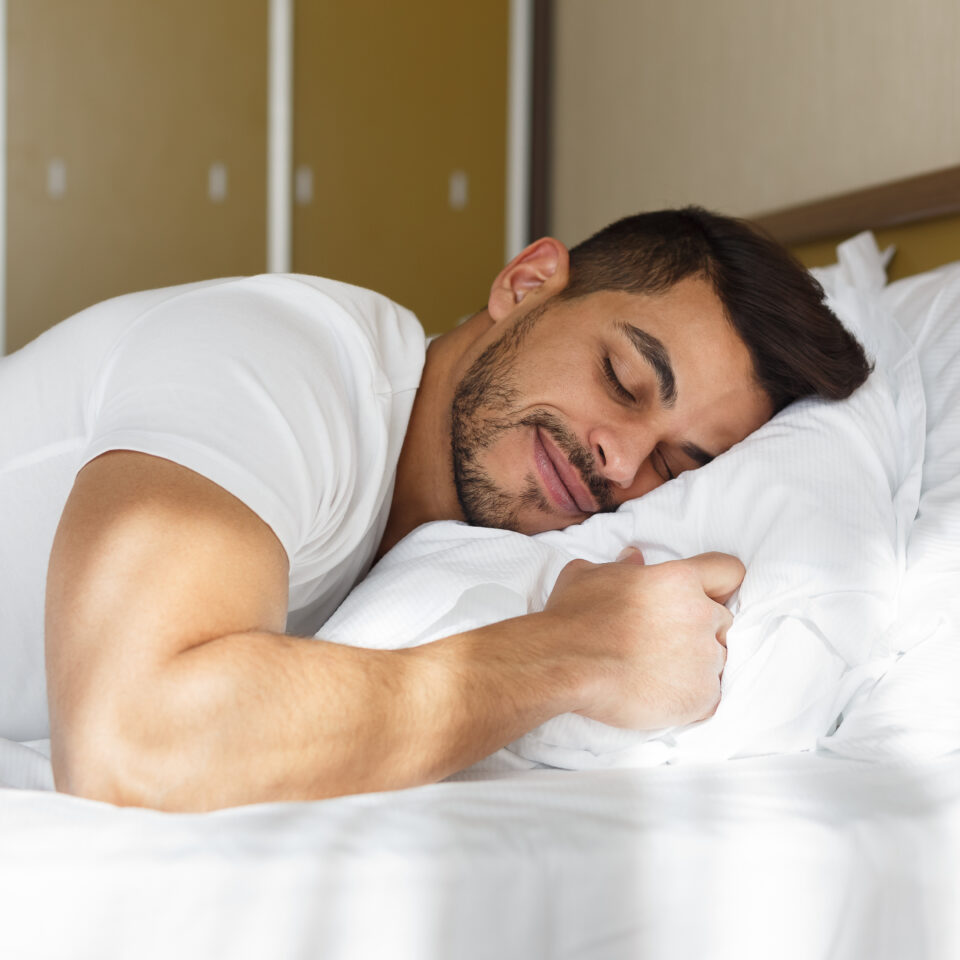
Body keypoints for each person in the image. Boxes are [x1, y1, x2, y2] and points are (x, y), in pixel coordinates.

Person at [0, 207, 870, 811]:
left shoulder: (433, 555)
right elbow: (133, 745)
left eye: (679, 465)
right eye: (623, 378)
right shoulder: (285, 362)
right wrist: (577, 651)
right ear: (527, 284)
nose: (623, 459)